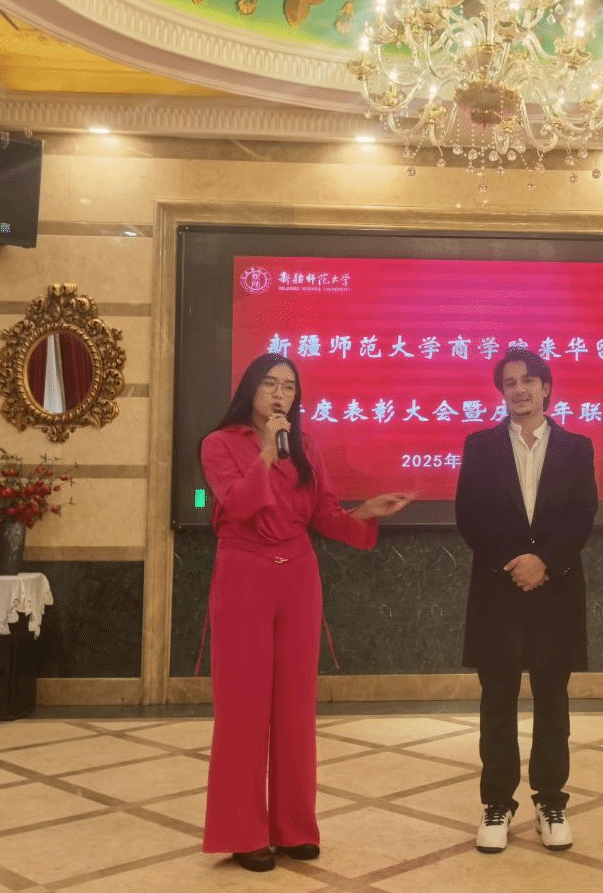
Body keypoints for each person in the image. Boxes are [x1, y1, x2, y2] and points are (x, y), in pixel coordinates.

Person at [199, 352, 410, 872]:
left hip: (298, 576)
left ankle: (294, 828)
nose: (280, 394)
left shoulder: (307, 446)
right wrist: (266, 452)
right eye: (270, 383)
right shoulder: (219, 444)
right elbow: (238, 504)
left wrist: (365, 512)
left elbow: (322, 515)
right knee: (244, 708)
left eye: (289, 386)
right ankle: (243, 832)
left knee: (296, 706)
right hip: (244, 573)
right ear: (250, 389)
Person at [455, 347, 598, 854]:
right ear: (502, 391)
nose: (519, 390)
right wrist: (515, 563)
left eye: (528, 381)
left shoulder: (577, 447)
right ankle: (497, 802)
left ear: (546, 388)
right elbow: (470, 515)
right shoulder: (480, 446)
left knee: (552, 700)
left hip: (556, 590)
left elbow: (582, 515)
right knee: (496, 700)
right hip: (499, 590)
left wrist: (545, 563)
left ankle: (550, 800)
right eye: (510, 382)